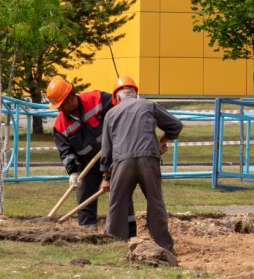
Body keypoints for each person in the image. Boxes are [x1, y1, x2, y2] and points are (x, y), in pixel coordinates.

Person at [101, 76, 183, 259]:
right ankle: (166, 249)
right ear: (136, 94)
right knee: (155, 202)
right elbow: (176, 125)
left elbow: (106, 149)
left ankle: (114, 246)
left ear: (117, 97)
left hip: (122, 162)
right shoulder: (148, 105)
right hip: (148, 158)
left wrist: (106, 177)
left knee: (117, 204)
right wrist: (163, 140)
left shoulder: (111, 114)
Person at [46, 76, 132, 237]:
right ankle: (87, 235)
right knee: (85, 196)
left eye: (62, 104)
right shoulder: (60, 125)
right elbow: (66, 152)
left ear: (71, 96)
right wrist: (72, 172)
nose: (60, 109)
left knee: (121, 192)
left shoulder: (97, 99)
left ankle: (127, 234)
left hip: (115, 156)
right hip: (87, 164)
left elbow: (121, 110)